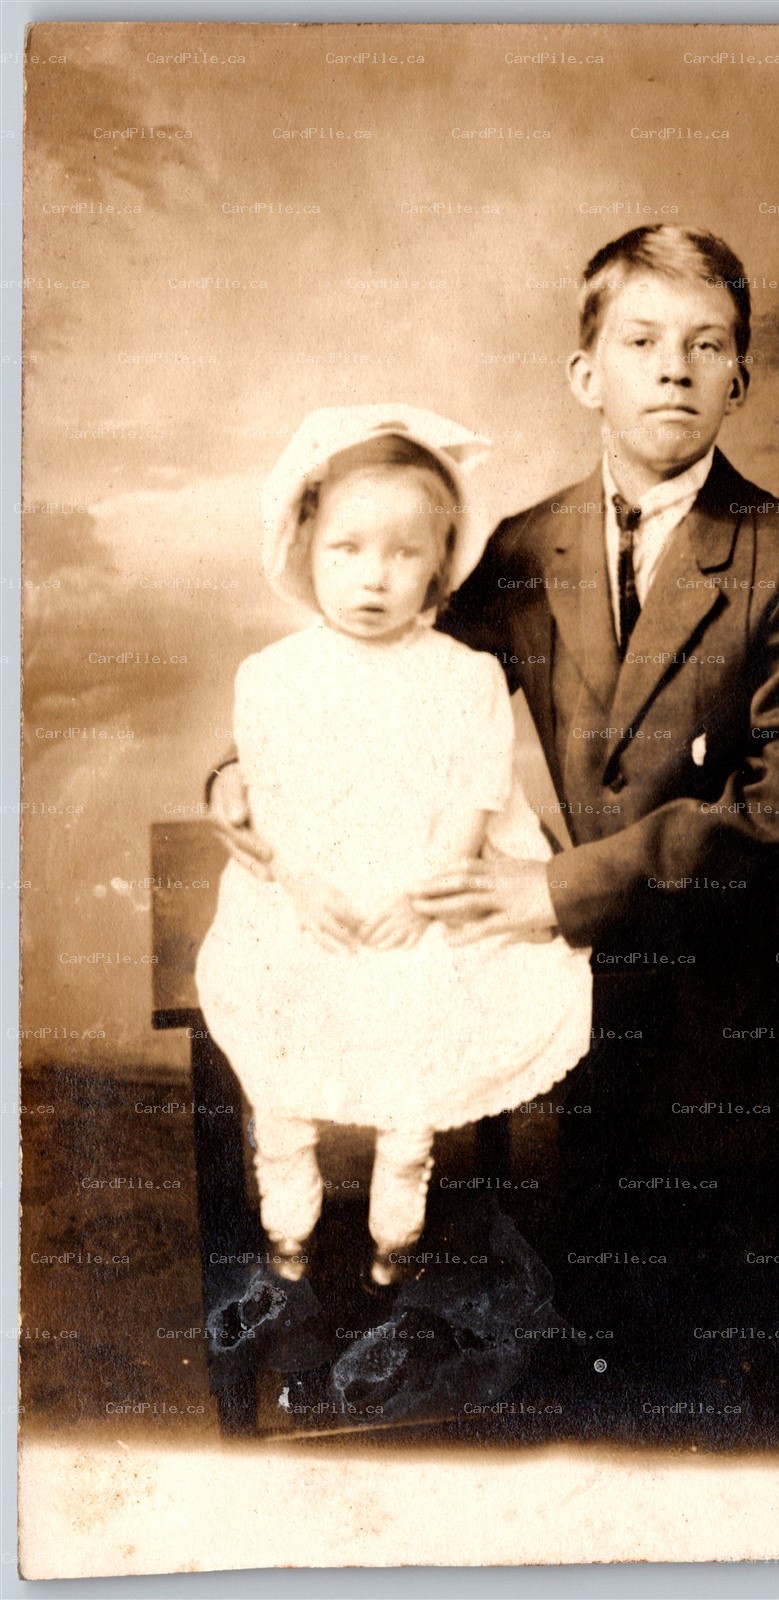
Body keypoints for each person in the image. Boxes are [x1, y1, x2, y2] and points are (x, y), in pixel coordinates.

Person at [211, 228, 779, 1330]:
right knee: (613, 1303)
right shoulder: (530, 547)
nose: (672, 367)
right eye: (640, 340)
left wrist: (553, 890)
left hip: (763, 987)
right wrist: (244, 769)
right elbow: (387, 675)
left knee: (763, 1316)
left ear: (740, 378)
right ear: (588, 375)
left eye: (705, 343)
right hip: (610, 987)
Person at [195, 406, 593, 1288]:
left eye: (403, 554)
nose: (374, 578)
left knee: (424, 998)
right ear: (305, 549)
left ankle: (403, 1177)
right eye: (348, 550)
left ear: (438, 565)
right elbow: (270, 797)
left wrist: (422, 894)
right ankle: (287, 1166)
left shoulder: (465, 674)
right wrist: (299, 884)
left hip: (425, 877)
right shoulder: (272, 676)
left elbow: (475, 795)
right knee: (277, 996)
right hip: (311, 885)